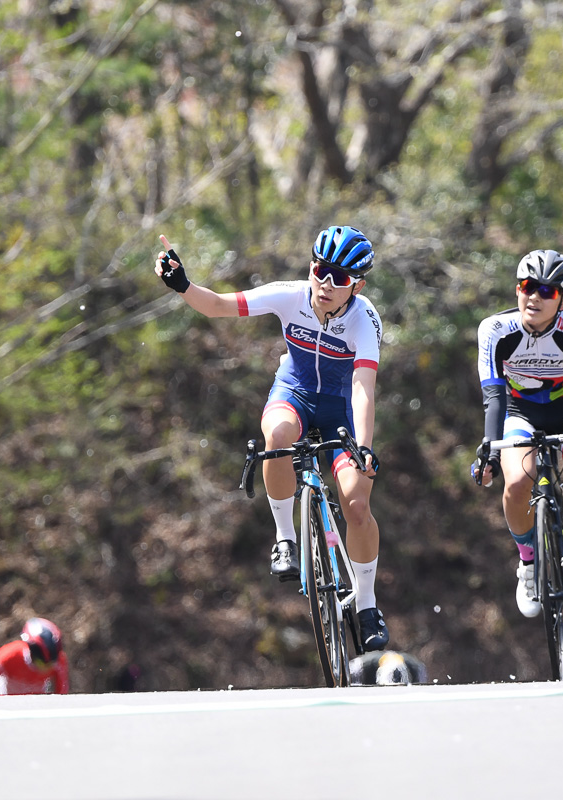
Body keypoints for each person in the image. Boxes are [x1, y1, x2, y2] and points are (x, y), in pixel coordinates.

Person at [154, 226, 391, 651]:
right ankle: (285, 538)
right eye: (320, 270)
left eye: (339, 277)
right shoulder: (290, 295)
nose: (326, 283)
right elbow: (219, 306)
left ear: (358, 283)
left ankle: (368, 604)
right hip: (295, 393)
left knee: (356, 505)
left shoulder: (364, 319)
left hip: (341, 409)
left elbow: (362, 388)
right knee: (277, 436)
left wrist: (365, 446)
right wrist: (182, 285)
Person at [472, 250, 563, 637]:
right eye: (526, 286)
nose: (533, 297)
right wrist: (489, 444)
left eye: (546, 291)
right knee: (517, 483)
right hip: (519, 412)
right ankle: (528, 564)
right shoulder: (495, 330)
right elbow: (494, 397)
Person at [0, 617, 70, 696]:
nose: (45, 669)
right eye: (40, 663)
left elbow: (62, 694)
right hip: (7, 705)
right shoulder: (10, 654)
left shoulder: (59, 661)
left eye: (51, 664)